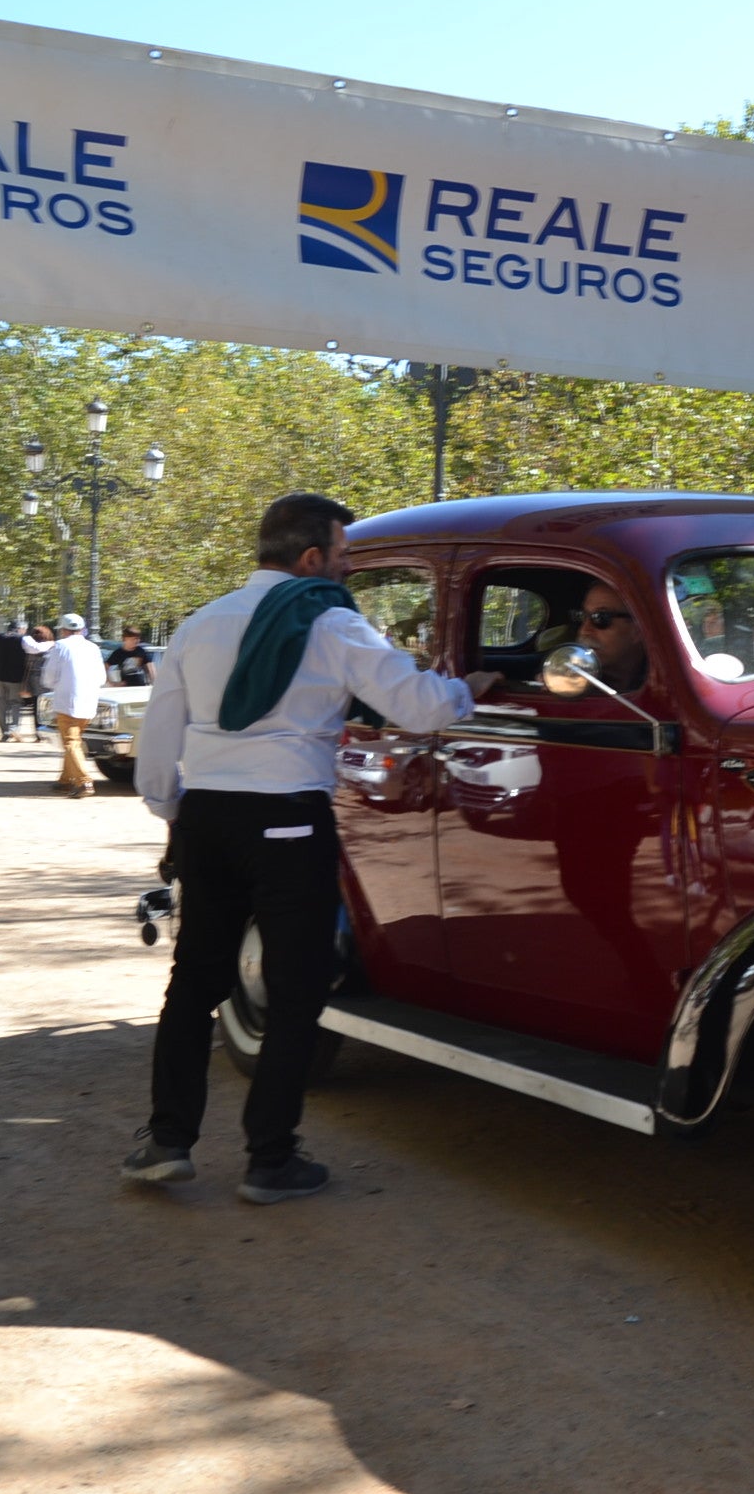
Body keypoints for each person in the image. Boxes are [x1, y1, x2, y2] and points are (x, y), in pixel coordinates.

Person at [127, 492, 499, 1203]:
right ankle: (270, 1157)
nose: (348, 565)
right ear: (310, 558)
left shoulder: (201, 623)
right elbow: (417, 706)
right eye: (343, 552)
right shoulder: (331, 621)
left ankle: (165, 1141)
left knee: (194, 981)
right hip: (288, 820)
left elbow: (158, 746)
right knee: (296, 992)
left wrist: (178, 810)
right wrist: (466, 690)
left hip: (205, 817)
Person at [41, 612, 107, 798]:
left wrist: (53, 685)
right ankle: (65, 779)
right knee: (74, 740)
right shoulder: (93, 647)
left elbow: (49, 675)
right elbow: (101, 677)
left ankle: (83, 781)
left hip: (67, 700)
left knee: (71, 742)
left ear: (63, 630)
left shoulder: (61, 646)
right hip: (89, 701)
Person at [574, 580, 647, 691]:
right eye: (582, 616)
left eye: (600, 618)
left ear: (638, 629)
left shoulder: (670, 677)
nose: (584, 630)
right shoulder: (570, 676)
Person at [0, 618, 31, 742]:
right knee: (16, 702)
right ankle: (14, 728)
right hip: (15, 677)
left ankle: (4, 732)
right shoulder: (22, 639)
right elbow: (35, 648)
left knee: (1, 704)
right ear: (21, 629)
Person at [23, 624, 54, 738]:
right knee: (48, 706)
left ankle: (38, 731)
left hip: (33, 679)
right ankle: (47, 729)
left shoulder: (29, 648)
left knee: (36, 706)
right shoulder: (52, 647)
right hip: (47, 679)